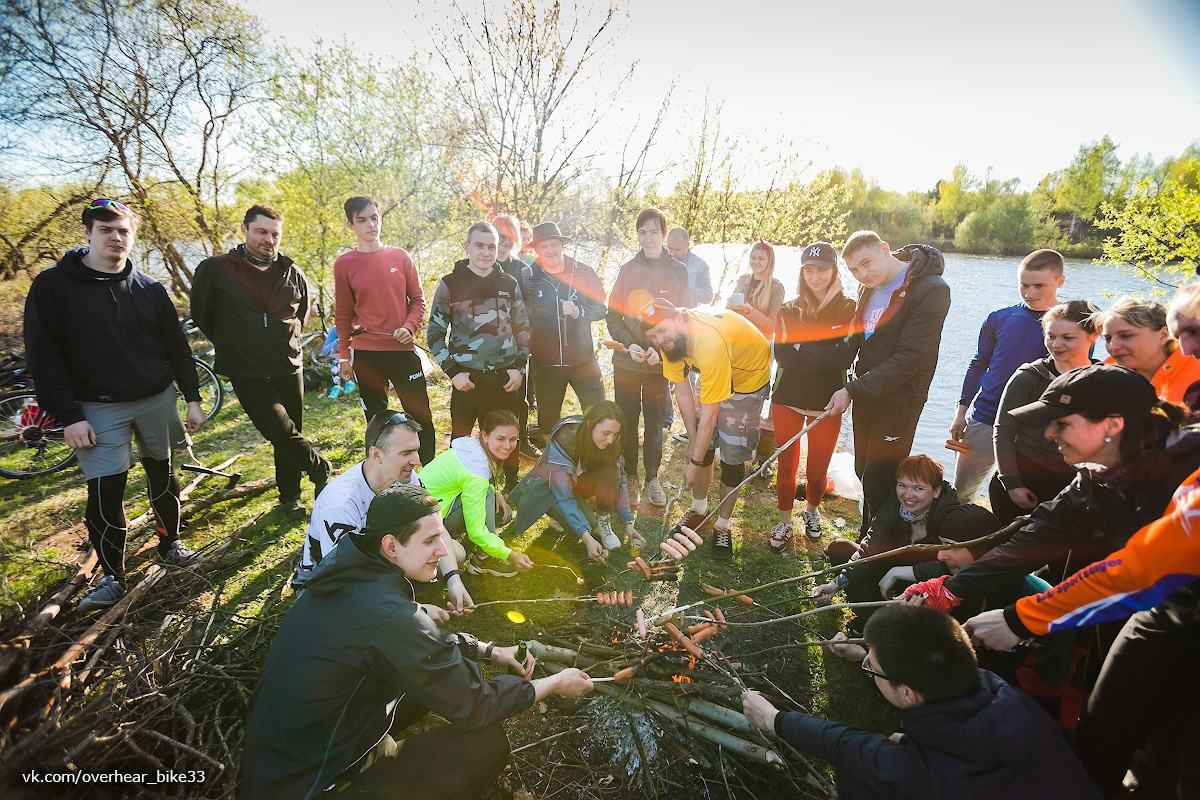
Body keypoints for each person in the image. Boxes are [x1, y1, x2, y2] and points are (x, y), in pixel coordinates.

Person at [240, 484, 594, 799]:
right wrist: (553, 683)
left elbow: (416, 644)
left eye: (441, 536)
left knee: (431, 680)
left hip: (283, 762)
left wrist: (489, 651)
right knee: (486, 745)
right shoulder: (387, 614)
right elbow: (477, 705)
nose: (443, 550)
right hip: (315, 784)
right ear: (391, 545)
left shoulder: (350, 574)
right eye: (429, 541)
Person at [24, 199, 206, 612]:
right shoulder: (53, 286)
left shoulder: (149, 287)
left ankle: (170, 545)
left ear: (133, 235)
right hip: (97, 407)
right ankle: (112, 577)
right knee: (106, 489)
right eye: (105, 230)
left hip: (156, 399)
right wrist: (69, 416)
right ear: (87, 233)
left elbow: (177, 349)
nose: (116, 237)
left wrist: (193, 398)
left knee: (163, 472)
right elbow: (43, 356)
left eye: (123, 230)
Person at [904, 365, 1196, 621]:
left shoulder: (1186, 477)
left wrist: (1020, 620)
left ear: (1112, 425)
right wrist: (948, 589)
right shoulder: (1093, 481)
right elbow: (1031, 543)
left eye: (1062, 424)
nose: (1048, 434)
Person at [741, 604, 1101, 800]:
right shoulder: (1012, 699)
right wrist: (866, 658)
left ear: (909, 694)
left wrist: (774, 719)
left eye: (873, 669)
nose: (870, 669)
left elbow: (850, 748)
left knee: (860, 777)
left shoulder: (930, 778)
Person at [191, 204, 332, 519]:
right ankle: (320, 469)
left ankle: (290, 497)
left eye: (274, 234)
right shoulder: (216, 269)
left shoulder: (291, 272)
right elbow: (202, 314)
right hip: (246, 370)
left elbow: (301, 315)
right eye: (261, 232)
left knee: (291, 433)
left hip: (288, 365)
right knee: (279, 431)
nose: (268, 240)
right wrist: (236, 343)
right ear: (244, 230)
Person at [825, 231, 951, 531]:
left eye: (866, 263)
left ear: (884, 249)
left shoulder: (930, 289)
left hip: (900, 398)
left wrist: (851, 389)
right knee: (863, 469)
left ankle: (876, 545)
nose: (862, 274)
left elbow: (910, 357)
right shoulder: (869, 287)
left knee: (881, 477)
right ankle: (869, 536)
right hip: (868, 391)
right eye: (854, 270)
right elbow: (861, 338)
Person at [293, 410, 472, 613]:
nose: (416, 460)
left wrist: (453, 580)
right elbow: (343, 578)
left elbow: (434, 528)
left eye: (416, 450)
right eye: (406, 453)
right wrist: (411, 611)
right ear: (376, 454)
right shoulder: (340, 505)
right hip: (327, 584)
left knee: (455, 553)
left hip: (380, 557)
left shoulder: (407, 478)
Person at [640, 299, 771, 558]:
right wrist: (692, 441)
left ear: (679, 317)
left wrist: (694, 463)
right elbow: (682, 390)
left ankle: (723, 524)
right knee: (704, 444)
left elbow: (710, 414)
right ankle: (699, 511)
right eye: (653, 336)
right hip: (716, 369)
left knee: (733, 456)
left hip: (746, 379)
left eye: (662, 330)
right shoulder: (670, 343)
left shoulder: (708, 342)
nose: (659, 340)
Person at [949, 249, 1063, 501]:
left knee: (1025, 496)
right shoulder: (1000, 318)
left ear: (1059, 282)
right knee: (961, 492)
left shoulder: (1070, 327)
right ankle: (954, 525)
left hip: (1036, 426)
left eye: (1039, 286)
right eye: (1024, 285)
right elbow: (979, 364)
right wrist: (960, 412)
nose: (1029, 293)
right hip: (986, 417)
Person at [427, 222, 530, 489]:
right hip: (467, 379)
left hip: (505, 378)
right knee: (461, 437)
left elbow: (522, 328)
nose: (486, 252)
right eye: (480, 246)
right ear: (467, 247)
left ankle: (510, 483)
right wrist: (453, 373)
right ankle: (459, 486)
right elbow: (435, 334)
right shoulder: (450, 284)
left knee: (507, 435)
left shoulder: (508, 283)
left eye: (491, 247)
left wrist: (519, 367)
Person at [333, 196, 436, 463]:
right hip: (367, 354)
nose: (371, 224)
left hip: (402, 350)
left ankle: (429, 474)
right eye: (362, 220)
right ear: (351, 225)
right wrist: (344, 357)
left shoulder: (400, 257)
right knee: (376, 419)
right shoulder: (344, 264)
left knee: (421, 416)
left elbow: (418, 300)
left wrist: (409, 327)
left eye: (374, 217)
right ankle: (384, 473)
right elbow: (343, 314)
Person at [769, 241, 856, 548]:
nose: (815, 277)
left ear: (834, 271)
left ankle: (812, 511)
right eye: (809, 270)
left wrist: (802, 347)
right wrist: (822, 353)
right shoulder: (788, 310)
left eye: (821, 270)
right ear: (802, 273)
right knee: (787, 466)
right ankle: (784, 522)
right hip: (787, 398)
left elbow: (845, 356)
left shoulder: (849, 309)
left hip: (827, 402)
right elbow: (783, 356)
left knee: (817, 471)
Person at [811, 455, 962, 632]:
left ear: (936, 491)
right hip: (888, 580)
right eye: (902, 486)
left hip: (923, 589)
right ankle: (871, 619)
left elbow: (952, 567)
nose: (908, 495)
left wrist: (898, 572)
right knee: (840, 549)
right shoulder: (893, 506)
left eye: (918, 488)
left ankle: (893, 626)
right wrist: (834, 585)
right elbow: (870, 548)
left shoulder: (950, 517)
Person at [605, 208, 692, 508]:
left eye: (654, 232)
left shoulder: (678, 271)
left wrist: (664, 349)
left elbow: (685, 319)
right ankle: (629, 475)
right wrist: (629, 344)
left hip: (660, 364)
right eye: (643, 232)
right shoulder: (627, 270)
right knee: (627, 419)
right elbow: (612, 316)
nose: (648, 238)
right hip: (627, 362)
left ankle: (652, 477)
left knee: (655, 423)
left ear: (663, 234)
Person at [989, 300, 1100, 524]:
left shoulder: (1104, 380)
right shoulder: (1028, 376)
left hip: (1074, 483)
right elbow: (1004, 431)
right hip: (1023, 477)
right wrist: (1012, 483)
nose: (1056, 344)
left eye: (1068, 337)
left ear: (1093, 336)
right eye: (1050, 336)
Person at [509, 401, 645, 561]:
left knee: (611, 471)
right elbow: (563, 495)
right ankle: (557, 514)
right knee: (588, 524)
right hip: (552, 490)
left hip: (575, 483)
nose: (610, 440)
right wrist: (587, 538)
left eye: (615, 434)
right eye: (606, 433)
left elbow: (619, 478)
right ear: (590, 424)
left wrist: (627, 522)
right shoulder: (564, 439)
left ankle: (602, 520)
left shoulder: (611, 442)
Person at [418, 410, 534, 579]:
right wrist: (510, 555)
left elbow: (477, 479)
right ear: (485, 436)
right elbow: (476, 531)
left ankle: (477, 543)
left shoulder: (473, 446)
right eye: (500, 439)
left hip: (433, 508)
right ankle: (482, 560)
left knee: (503, 513)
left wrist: (495, 491)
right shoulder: (476, 470)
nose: (508, 445)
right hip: (429, 523)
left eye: (513, 439)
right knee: (486, 496)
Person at [519, 221, 607, 435]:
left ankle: (599, 454)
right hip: (545, 364)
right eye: (544, 246)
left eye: (554, 244)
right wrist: (525, 346)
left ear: (562, 245)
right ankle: (553, 455)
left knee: (599, 417)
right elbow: (519, 316)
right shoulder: (526, 276)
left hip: (583, 360)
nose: (550, 250)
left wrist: (579, 312)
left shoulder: (583, 272)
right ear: (536, 249)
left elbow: (601, 308)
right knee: (548, 424)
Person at [493, 214, 540, 454]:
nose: (505, 241)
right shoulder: (482, 266)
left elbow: (531, 310)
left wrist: (528, 344)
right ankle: (490, 442)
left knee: (519, 397)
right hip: (486, 346)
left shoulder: (523, 270)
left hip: (516, 344)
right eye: (500, 236)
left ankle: (521, 441)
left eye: (510, 236)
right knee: (490, 396)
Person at [1102, 295, 1200, 405]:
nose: (1113, 347)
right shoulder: (1103, 376)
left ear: (1163, 335)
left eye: (1126, 336)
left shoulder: (1196, 371)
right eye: (1108, 338)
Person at [727, 240, 785, 341]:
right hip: (738, 338)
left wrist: (751, 310)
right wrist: (729, 306)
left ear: (769, 261)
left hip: (760, 342)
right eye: (753, 258)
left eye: (761, 259)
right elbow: (730, 314)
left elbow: (773, 327)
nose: (755, 262)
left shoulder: (776, 287)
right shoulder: (742, 280)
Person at [665, 226, 713, 305]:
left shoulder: (700, 265)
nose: (672, 253)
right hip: (661, 311)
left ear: (687, 245)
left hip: (687, 312)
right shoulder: (659, 261)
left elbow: (708, 297)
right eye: (669, 248)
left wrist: (684, 288)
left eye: (677, 250)